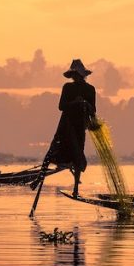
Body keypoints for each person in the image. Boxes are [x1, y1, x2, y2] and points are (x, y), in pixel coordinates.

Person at [43, 59, 97, 198]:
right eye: (74, 75)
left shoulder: (90, 89)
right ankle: (39, 178)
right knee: (54, 149)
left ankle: (75, 189)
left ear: (82, 75)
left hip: (79, 125)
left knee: (78, 153)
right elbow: (61, 106)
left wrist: (84, 103)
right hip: (65, 124)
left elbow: (93, 110)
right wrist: (74, 102)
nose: (75, 77)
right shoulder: (67, 87)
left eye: (77, 75)